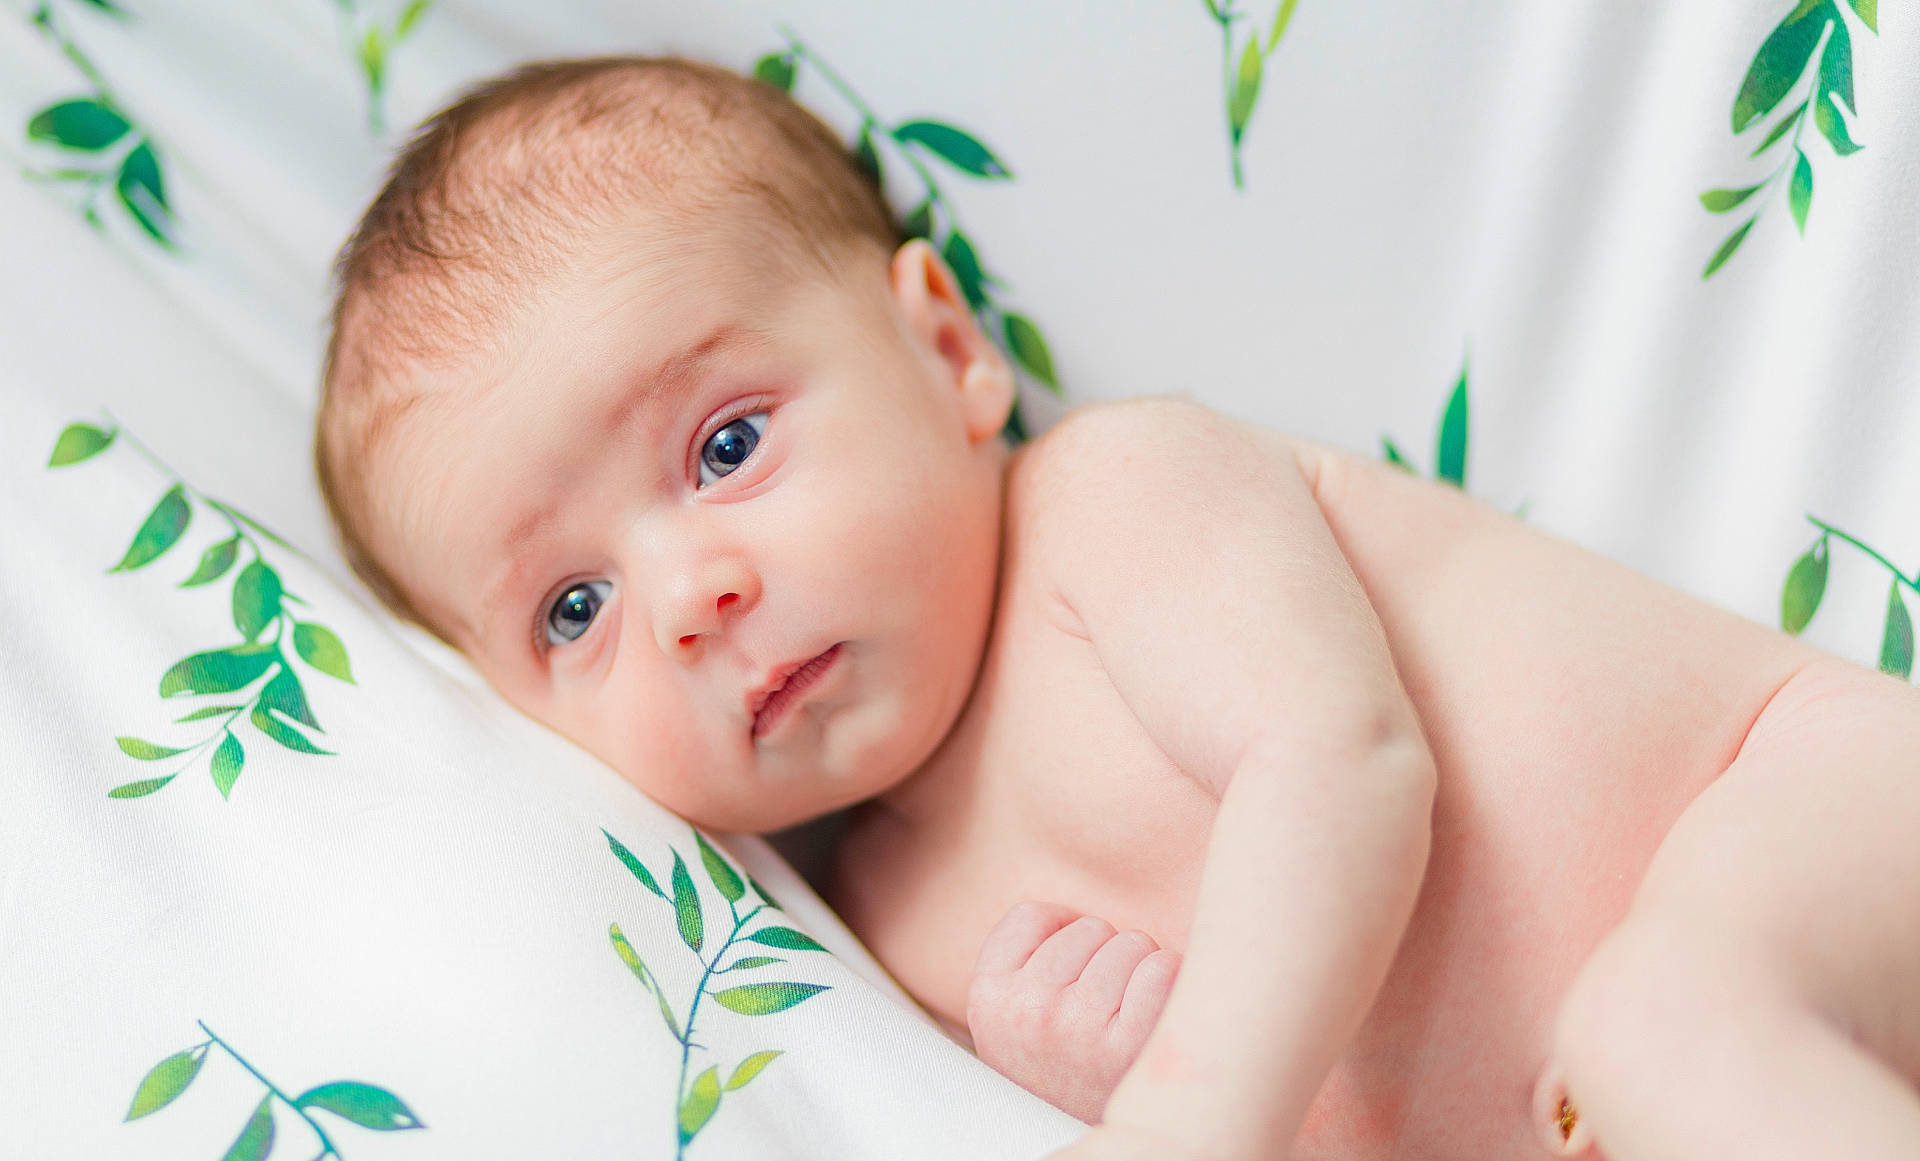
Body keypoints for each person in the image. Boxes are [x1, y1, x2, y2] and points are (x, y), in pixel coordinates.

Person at [313, 56, 1920, 1161]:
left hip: (1794, 805)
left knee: (1666, 1018)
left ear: (946, 353)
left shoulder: (1113, 497)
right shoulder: (885, 946)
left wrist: (1188, 1103)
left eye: (727, 446)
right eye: (572, 607)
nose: (687, 599)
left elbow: (1341, 766)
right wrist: (1112, 1074)